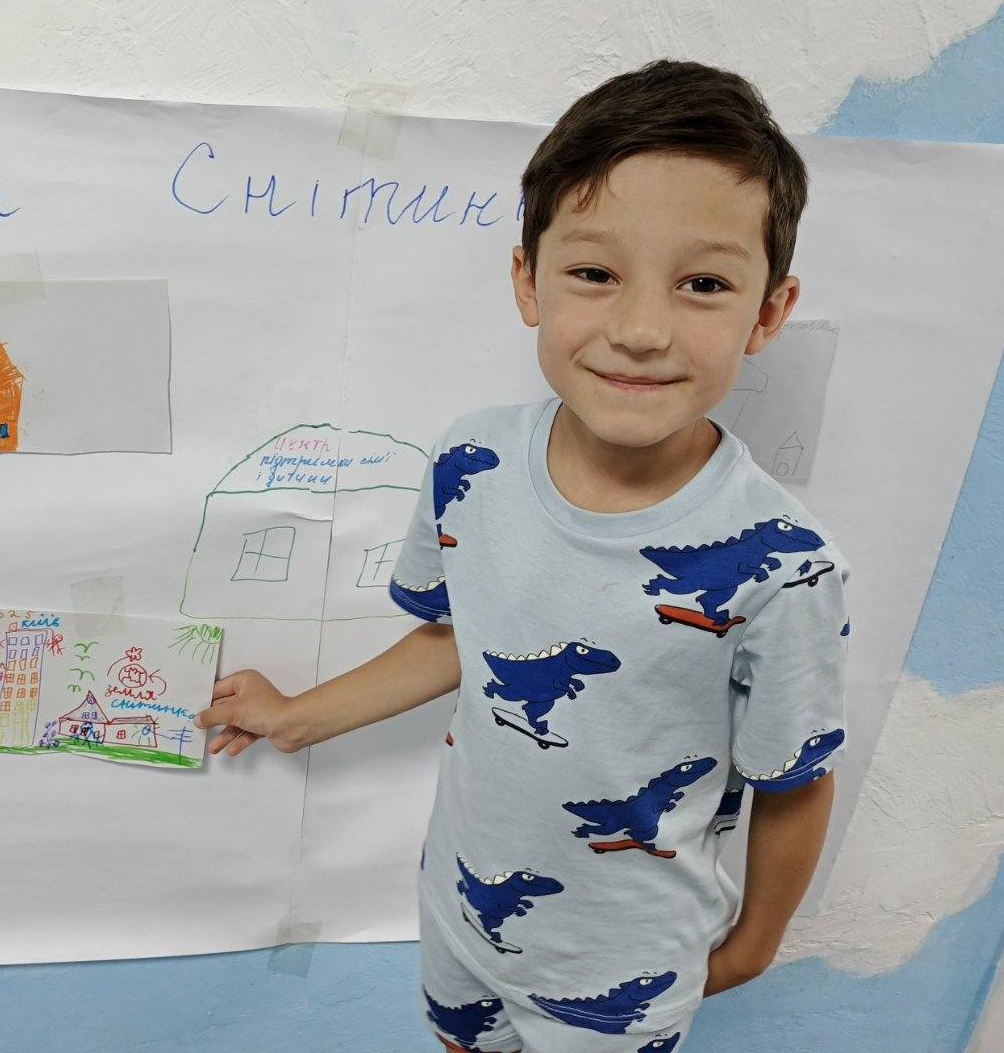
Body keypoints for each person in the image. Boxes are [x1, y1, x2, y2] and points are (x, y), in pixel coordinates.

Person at [194, 59, 852, 1053]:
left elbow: (793, 775)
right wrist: (297, 716)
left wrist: (755, 943)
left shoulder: (786, 567)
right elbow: (463, 636)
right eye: (595, 273)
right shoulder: (473, 462)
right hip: (461, 909)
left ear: (768, 312)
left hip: (618, 965)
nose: (640, 330)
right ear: (526, 281)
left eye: (704, 284)